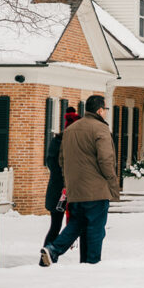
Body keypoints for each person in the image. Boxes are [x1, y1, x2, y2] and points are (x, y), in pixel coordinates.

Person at [40, 94, 118, 266]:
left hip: (75, 191)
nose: (105, 112)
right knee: (96, 230)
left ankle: (53, 249)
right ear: (99, 110)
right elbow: (106, 160)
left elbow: (61, 161)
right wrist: (113, 183)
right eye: (105, 109)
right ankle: (91, 265)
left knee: (78, 224)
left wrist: (68, 183)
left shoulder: (70, 130)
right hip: (96, 190)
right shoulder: (100, 129)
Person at [43, 108, 87, 261]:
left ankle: (52, 251)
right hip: (59, 192)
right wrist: (65, 179)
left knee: (72, 224)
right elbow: (51, 162)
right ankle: (48, 253)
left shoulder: (76, 142)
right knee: (56, 225)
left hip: (72, 191)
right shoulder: (58, 141)